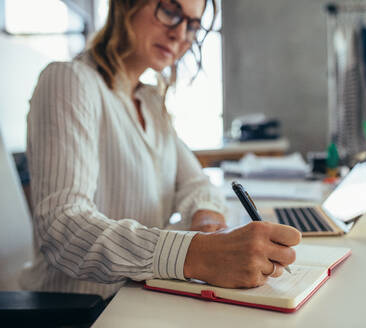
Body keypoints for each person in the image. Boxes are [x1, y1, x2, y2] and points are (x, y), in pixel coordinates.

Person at [19, 0, 301, 299]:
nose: (180, 34)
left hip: (142, 296)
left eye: (192, 25)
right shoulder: (70, 81)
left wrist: (207, 224)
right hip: (85, 308)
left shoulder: (151, 102)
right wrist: (196, 254)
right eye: (170, 11)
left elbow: (197, 184)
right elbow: (64, 229)